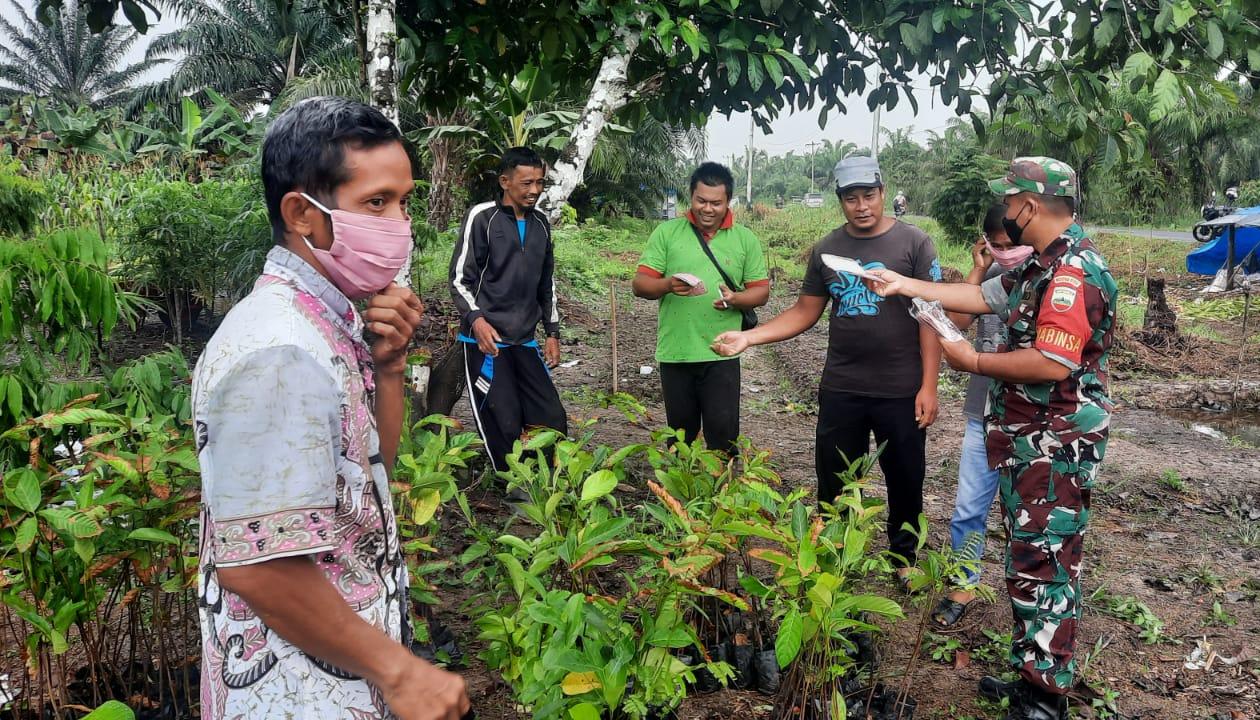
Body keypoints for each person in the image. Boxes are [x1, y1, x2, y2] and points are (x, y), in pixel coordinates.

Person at [191, 97, 470, 720]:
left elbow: (370, 478)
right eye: (376, 203)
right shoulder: (279, 352)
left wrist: (389, 366)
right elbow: (258, 567)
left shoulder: (326, 323)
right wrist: (402, 673)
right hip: (298, 696)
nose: (399, 224)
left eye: (403, 202)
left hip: (336, 678)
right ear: (302, 215)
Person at [866, 157, 1118, 720]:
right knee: (1028, 563)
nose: (1005, 212)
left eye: (1009, 202)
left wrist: (971, 358)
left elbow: (1053, 361)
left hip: (1054, 445)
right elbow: (982, 298)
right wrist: (902, 283)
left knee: (1045, 566)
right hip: (1029, 442)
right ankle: (1033, 681)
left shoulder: (1071, 273)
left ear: (1029, 206)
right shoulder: (1038, 269)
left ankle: (1045, 701)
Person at [713, 155, 942, 584]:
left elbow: (929, 319)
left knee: (906, 478)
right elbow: (804, 312)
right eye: (851, 198)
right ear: (840, 200)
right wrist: (750, 337)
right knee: (834, 478)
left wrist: (929, 385)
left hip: (901, 387)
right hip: (843, 387)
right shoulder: (826, 250)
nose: (861, 206)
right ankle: (833, 552)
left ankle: (903, 558)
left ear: (883, 192)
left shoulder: (915, 244)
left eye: (869, 196)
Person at [931, 204, 1035, 628]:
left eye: (1014, 246)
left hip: (1031, 420)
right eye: (999, 246)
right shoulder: (992, 279)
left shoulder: (1048, 283)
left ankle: (1027, 596)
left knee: (1028, 515)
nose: (1008, 253)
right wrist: (978, 269)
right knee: (969, 509)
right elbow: (956, 321)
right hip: (982, 414)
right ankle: (962, 585)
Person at [632, 162, 770, 453]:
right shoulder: (667, 233)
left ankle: (722, 492)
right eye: (701, 201)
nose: (708, 209)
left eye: (716, 203)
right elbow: (641, 284)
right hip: (676, 353)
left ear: (728, 201)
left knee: (723, 435)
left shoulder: (744, 239)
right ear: (691, 197)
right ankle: (680, 494)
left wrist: (735, 299)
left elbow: (761, 292)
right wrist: (668, 284)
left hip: (722, 352)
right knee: (681, 437)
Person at [450, 147, 567, 474]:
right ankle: (512, 485)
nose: (534, 191)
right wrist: (477, 320)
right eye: (526, 182)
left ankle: (542, 481)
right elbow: (460, 279)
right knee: (503, 417)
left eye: (540, 183)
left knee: (551, 417)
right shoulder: (482, 218)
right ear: (505, 181)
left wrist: (552, 333)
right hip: (487, 344)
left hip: (525, 342)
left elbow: (547, 285)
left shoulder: (542, 225)